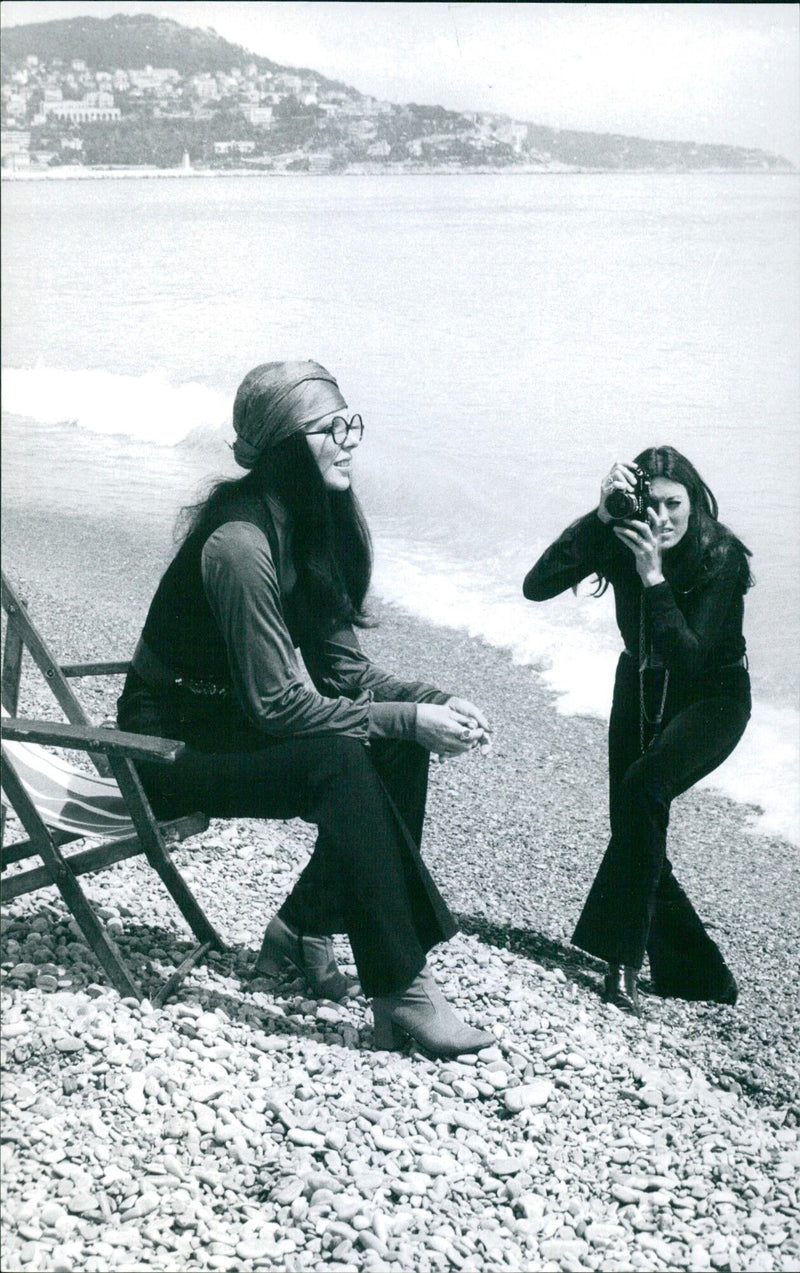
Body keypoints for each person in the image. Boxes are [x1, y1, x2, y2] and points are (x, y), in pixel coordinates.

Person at [118, 360, 494, 1056]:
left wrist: (431, 704)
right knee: (338, 758)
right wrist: (407, 718)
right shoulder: (239, 543)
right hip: (161, 749)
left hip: (224, 724)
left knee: (392, 744)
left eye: (352, 423)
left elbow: (346, 672)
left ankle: (299, 932)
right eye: (331, 428)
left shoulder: (306, 525)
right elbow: (280, 708)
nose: (350, 440)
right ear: (287, 444)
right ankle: (402, 986)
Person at [523, 447, 752, 1016]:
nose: (662, 518)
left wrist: (652, 577)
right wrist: (598, 517)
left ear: (695, 501)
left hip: (713, 695)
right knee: (635, 822)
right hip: (642, 685)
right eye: (650, 504)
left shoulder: (722, 556)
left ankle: (620, 962)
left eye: (675, 504)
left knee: (641, 793)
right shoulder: (621, 534)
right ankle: (698, 973)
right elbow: (537, 584)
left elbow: (692, 660)